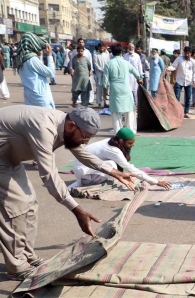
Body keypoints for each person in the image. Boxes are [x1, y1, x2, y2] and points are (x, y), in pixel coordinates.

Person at [0, 106, 135, 280]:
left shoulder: (65, 126)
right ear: (71, 125)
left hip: (9, 158)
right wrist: (76, 209)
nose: (86, 142)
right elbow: (49, 174)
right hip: (2, 160)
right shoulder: (44, 128)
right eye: (85, 136)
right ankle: (17, 265)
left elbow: (80, 151)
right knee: (16, 207)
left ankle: (27, 255)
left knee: (30, 203)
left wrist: (114, 172)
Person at [73, 127, 172, 189]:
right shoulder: (113, 150)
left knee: (112, 166)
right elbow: (130, 168)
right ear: (121, 141)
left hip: (87, 168)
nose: (132, 145)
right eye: (130, 143)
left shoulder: (113, 141)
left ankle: (98, 178)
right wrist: (156, 182)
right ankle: (89, 183)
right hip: (83, 173)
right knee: (112, 165)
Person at [103, 44, 143, 132]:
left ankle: (118, 132)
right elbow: (137, 73)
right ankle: (131, 131)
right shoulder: (126, 63)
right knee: (129, 111)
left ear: (112, 53)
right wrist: (139, 79)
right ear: (121, 52)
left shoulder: (108, 64)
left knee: (116, 112)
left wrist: (104, 94)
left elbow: (105, 83)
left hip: (115, 90)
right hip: (126, 89)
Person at [16, 33, 56, 109]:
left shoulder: (21, 59)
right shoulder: (32, 59)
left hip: (30, 96)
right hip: (40, 98)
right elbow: (51, 73)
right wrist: (49, 55)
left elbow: (37, 70)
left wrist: (40, 56)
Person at [170, 46, 195, 117]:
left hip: (189, 81)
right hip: (179, 80)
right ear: (184, 53)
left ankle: (186, 112)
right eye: (185, 53)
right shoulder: (179, 59)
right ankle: (177, 112)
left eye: (188, 53)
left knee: (188, 98)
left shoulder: (193, 61)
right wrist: (169, 68)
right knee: (177, 97)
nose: (187, 55)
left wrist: (194, 80)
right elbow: (174, 66)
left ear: (190, 53)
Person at [94, 43, 111, 108]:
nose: (101, 49)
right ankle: (99, 102)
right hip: (99, 73)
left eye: (102, 48)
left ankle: (106, 102)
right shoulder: (95, 54)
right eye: (100, 48)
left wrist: (106, 70)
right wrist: (102, 70)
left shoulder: (106, 54)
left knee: (106, 87)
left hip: (106, 73)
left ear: (104, 48)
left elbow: (108, 63)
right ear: (98, 48)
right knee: (99, 88)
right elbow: (96, 64)